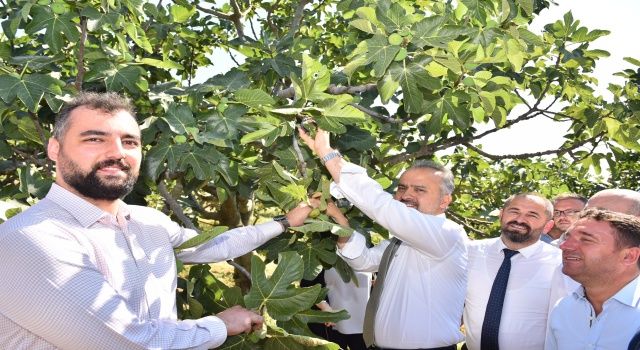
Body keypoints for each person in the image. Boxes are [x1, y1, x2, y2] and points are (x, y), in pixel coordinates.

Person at [0, 92, 317, 349]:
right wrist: (218, 326)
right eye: (94, 139)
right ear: (55, 149)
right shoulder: (31, 238)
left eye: (130, 141)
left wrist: (285, 221)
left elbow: (214, 246)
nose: (117, 152)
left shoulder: (146, 221)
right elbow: (128, 343)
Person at [299, 128, 468, 350]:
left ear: (445, 201)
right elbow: (364, 261)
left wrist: (328, 154)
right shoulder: (401, 240)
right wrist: (338, 217)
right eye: (402, 188)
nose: (406, 195)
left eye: (419, 190)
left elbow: (383, 206)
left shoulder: (446, 233)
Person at [463, 193, 560, 350]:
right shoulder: (470, 252)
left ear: (548, 226)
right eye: (514, 211)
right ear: (501, 214)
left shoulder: (560, 264)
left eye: (532, 215)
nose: (520, 220)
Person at [545, 209, 640, 350]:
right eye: (567, 238)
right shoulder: (563, 308)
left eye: (586, 240)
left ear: (629, 256)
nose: (564, 246)